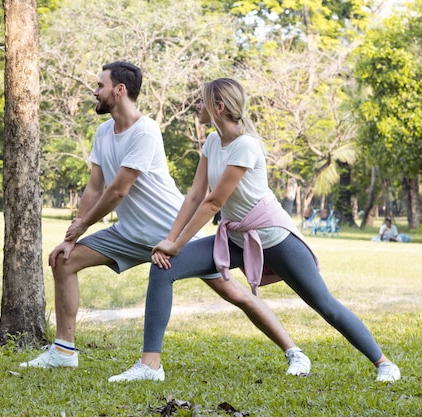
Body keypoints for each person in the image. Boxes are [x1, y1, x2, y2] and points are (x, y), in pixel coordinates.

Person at [20, 62, 311, 377]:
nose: (95, 90)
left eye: (100, 85)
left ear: (120, 90)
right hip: (128, 234)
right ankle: (64, 351)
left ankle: (294, 352)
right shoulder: (104, 132)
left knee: (233, 292)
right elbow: (95, 186)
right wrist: (72, 234)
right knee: (64, 260)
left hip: (172, 232)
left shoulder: (146, 131)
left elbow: (118, 189)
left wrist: (85, 223)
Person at [109, 78, 401, 383]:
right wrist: (169, 242)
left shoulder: (246, 145)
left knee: (324, 305)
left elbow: (212, 203)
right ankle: (150, 365)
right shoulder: (212, 141)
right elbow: (195, 196)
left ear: (218, 107)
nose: (198, 106)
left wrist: (177, 244)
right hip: (235, 238)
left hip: (274, 238)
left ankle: (384, 363)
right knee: (163, 268)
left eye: (203, 101)